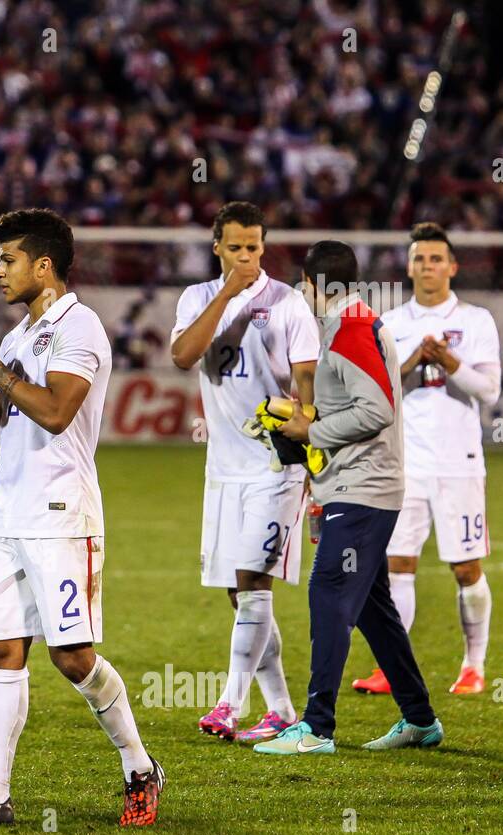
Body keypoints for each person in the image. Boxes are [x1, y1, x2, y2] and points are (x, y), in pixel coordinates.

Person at [0, 209, 164, 827]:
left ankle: (139, 766)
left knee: (73, 657)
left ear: (44, 265)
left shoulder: (79, 328)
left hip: (61, 513)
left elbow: (57, 412)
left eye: (8, 260)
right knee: (1, 653)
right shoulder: (14, 338)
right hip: (6, 511)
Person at [255, 240, 443, 755]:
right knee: (373, 608)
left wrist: (308, 429)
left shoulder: (352, 329)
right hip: (358, 483)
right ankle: (420, 719)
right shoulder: (352, 325)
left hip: (365, 487)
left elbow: (378, 407)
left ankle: (316, 728)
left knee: (329, 593)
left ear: (314, 285)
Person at [170, 201, 315, 743]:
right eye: (235, 247)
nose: (247, 256)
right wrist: (228, 294)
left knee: (255, 582)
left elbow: (307, 385)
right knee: (240, 593)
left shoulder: (288, 303)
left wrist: (308, 439)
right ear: (217, 248)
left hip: (277, 467)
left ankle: (230, 703)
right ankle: (280, 709)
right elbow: (184, 355)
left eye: (254, 246)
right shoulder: (198, 298)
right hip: (224, 470)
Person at [351, 223, 502, 697]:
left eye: (436, 259)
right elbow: (377, 392)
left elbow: (491, 390)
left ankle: (473, 666)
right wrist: (414, 359)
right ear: (409, 266)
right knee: (398, 564)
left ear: (452, 267)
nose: (428, 266)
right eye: (419, 259)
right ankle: (390, 667)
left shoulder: (476, 320)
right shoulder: (392, 325)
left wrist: (452, 362)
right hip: (406, 463)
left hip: (460, 462)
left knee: (466, 567)